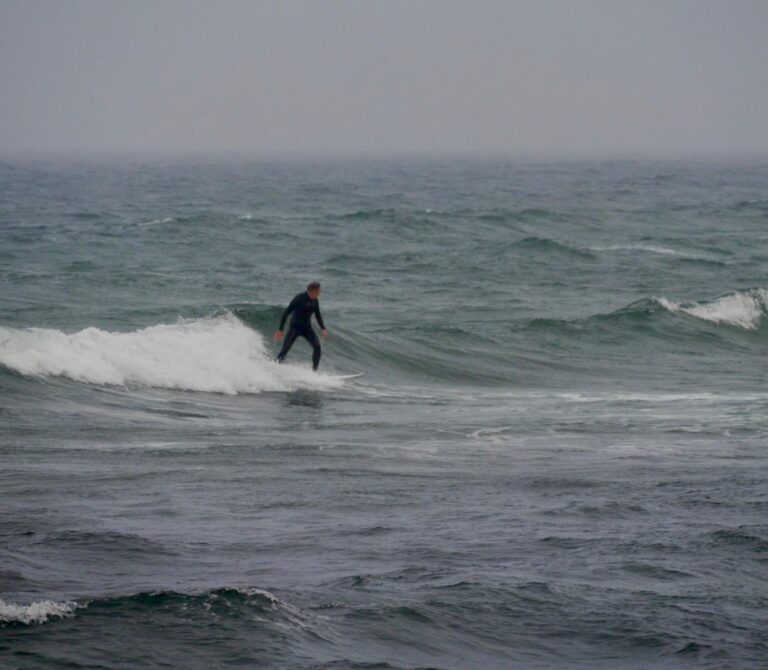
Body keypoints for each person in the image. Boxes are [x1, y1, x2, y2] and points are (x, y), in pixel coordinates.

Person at [274, 281, 328, 370]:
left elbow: (317, 314)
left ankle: (314, 372)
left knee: (317, 347)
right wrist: (280, 329)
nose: (320, 292)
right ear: (313, 291)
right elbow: (286, 312)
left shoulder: (315, 300)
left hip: (307, 329)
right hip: (295, 327)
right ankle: (275, 366)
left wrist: (323, 328)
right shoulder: (299, 298)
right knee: (285, 350)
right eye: (319, 291)